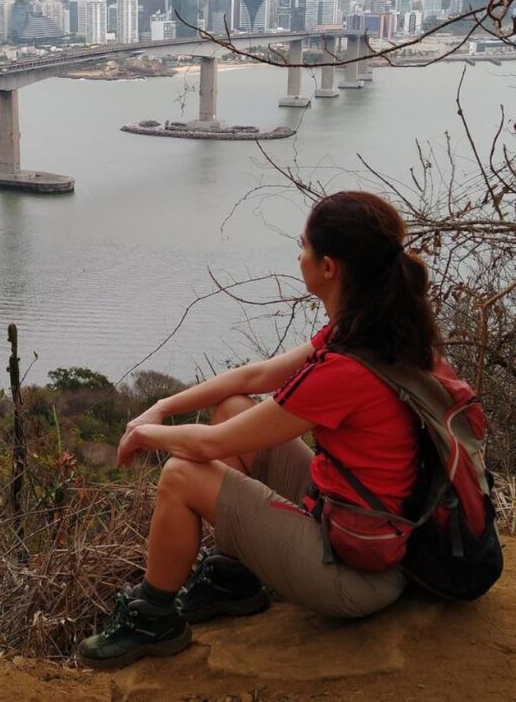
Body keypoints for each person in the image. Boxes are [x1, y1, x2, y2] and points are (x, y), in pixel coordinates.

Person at [78, 190, 441, 669]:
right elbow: (253, 377)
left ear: (329, 267)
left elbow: (211, 446)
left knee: (183, 475)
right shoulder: (372, 329)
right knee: (232, 407)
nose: (299, 256)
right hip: (366, 524)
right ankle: (236, 576)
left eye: (304, 247)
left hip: (356, 576)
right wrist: (160, 408)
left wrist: (145, 436)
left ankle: (153, 618)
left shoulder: (346, 369)